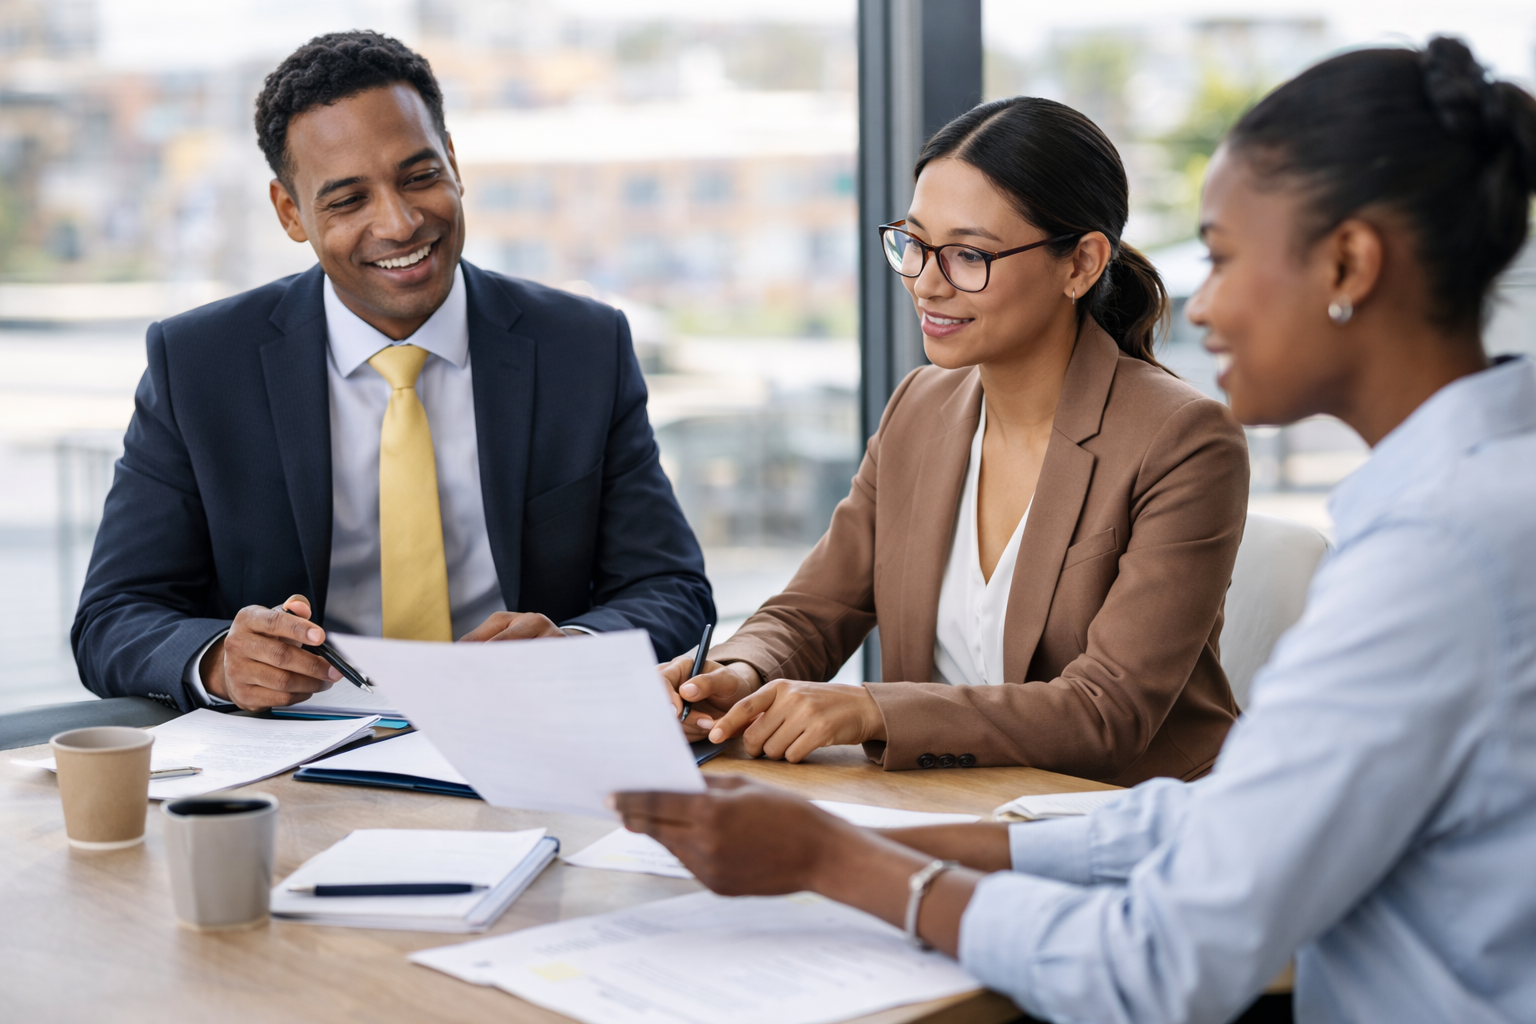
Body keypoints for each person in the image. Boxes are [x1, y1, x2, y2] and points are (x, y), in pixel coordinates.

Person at [619, 38, 1536, 1024]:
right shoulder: (1470, 506)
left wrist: (836, 858)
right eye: (915, 245)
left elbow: (1155, 962)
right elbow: (1216, 822)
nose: (1206, 304)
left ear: (1351, 261)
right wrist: (896, 825)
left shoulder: (1430, 555)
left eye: (1223, 257)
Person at [71, 32, 712, 712]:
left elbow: (671, 590)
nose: (400, 223)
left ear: (454, 163)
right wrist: (219, 661)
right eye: (348, 200)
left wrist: (575, 647)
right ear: (291, 212)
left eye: (419, 176)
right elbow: (113, 616)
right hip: (298, 759)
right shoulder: (199, 363)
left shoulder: (581, 346)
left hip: (526, 734)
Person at [665, 98, 1249, 785]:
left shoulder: (1183, 439)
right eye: (914, 243)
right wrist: (738, 669)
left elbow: (1107, 712)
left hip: (1131, 823)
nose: (927, 281)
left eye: (969, 254)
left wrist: (874, 711)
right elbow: (813, 612)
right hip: (945, 811)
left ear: (1082, 264)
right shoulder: (919, 409)